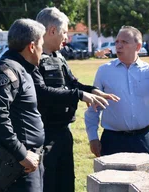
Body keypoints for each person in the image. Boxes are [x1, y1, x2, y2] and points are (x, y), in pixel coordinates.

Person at [35, 7, 119, 192]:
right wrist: (79, 95)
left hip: (63, 132)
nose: (67, 37)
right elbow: (42, 93)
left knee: (65, 183)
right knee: (48, 184)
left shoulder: (59, 56)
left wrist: (95, 91)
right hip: (44, 134)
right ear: (52, 31)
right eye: (65, 32)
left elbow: (73, 84)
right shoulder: (34, 58)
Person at [84, 26, 149, 159]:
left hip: (143, 140)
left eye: (124, 42)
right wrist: (93, 138)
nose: (118, 46)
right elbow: (94, 108)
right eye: (117, 42)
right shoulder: (104, 71)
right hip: (113, 141)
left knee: (148, 178)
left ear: (137, 47)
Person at [0, 19, 45, 192]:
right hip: (17, 166)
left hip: (28, 161)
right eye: (41, 44)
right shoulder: (5, 71)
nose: (42, 50)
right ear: (32, 46)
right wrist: (22, 154)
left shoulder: (23, 68)